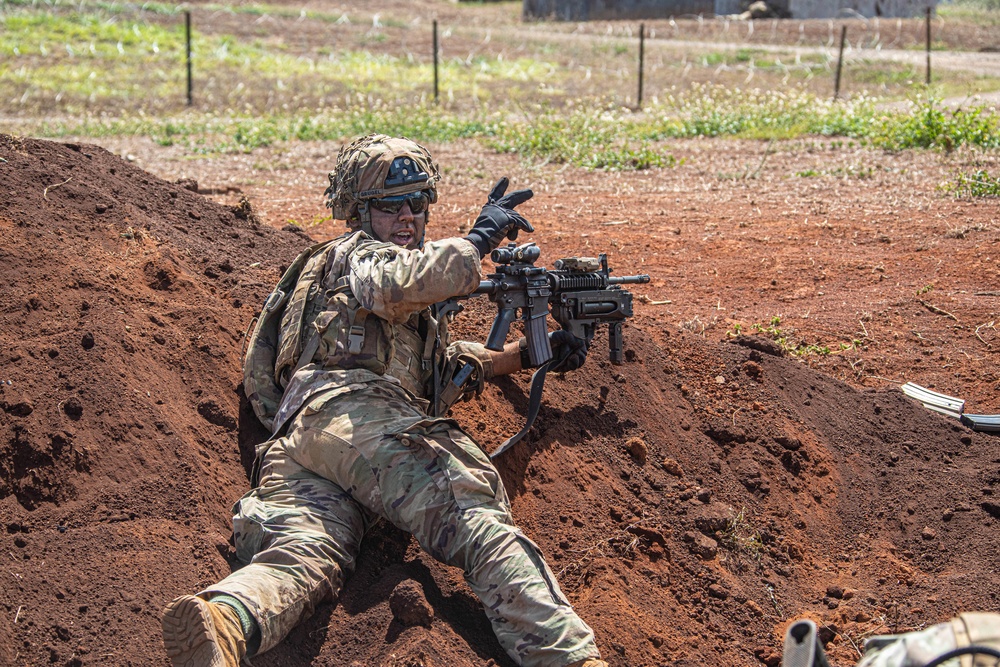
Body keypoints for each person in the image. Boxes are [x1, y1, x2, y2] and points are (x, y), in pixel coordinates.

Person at [161, 133, 605, 667]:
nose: (407, 217)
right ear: (358, 212)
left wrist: (533, 353)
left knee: (308, 552)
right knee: (471, 511)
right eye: (389, 205)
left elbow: (446, 369)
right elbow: (394, 280)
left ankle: (227, 621)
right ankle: (571, 658)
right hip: (359, 420)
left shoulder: (345, 300)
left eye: (418, 203)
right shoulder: (359, 258)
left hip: (305, 443)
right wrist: (478, 240)